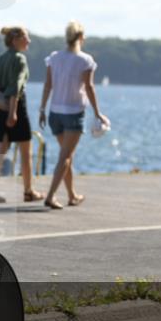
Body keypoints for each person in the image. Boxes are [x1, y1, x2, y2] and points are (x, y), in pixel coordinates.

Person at [38, 20, 109, 209]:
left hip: (55, 113)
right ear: (79, 37)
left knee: (66, 155)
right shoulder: (84, 60)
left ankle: (72, 195)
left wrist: (42, 109)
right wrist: (97, 113)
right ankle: (51, 196)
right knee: (65, 157)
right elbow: (89, 87)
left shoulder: (54, 57)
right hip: (73, 113)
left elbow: (48, 85)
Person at [0, 26, 43, 203]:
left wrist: (4, 110)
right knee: (26, 151)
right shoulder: (19, 59)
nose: (29, 41)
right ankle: (28, 190)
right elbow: (16, 87)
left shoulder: (0, 59)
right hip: (15, 106)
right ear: (15, 40)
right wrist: (13, 112)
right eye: (26, 37)